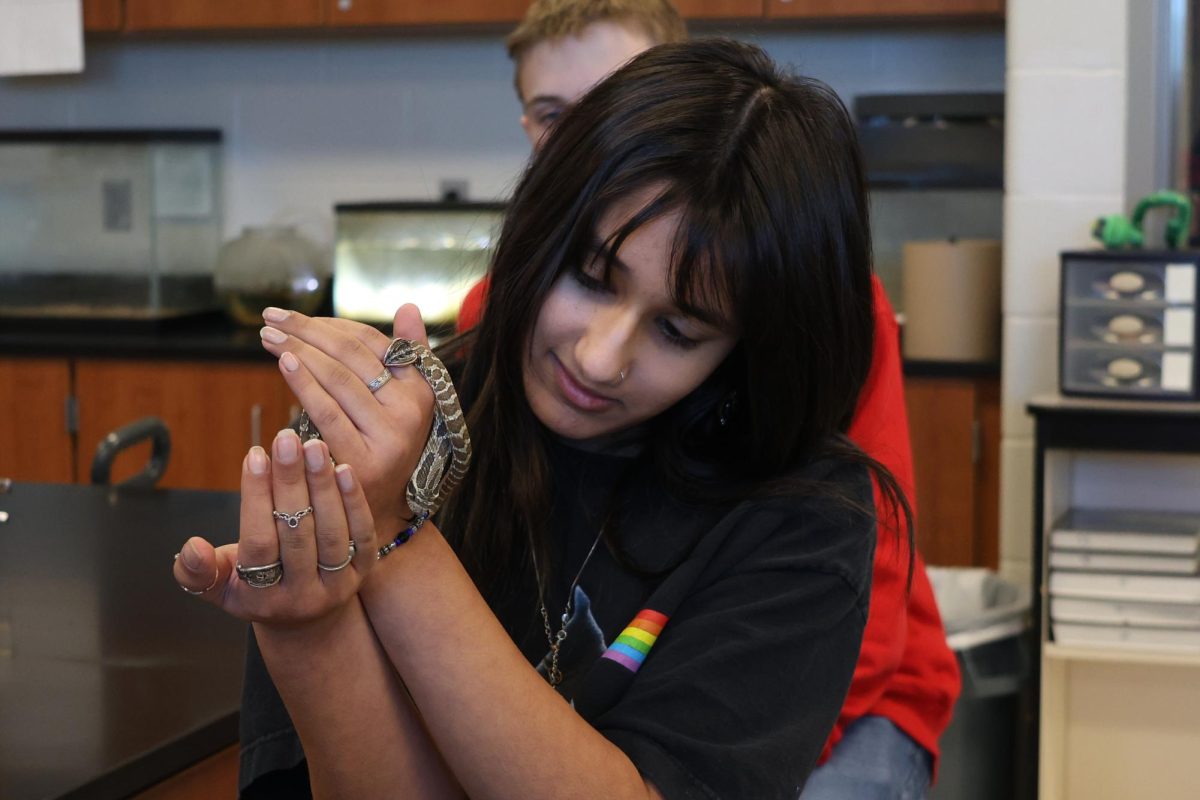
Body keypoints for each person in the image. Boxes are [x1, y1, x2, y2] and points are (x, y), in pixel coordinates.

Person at [174, 39, 912, 798]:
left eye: (678, 331)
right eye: (591, 278)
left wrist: (397, 529)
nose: (599, 359)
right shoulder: (393, 430)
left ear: (744, 349)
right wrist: (308, 629)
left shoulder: (801, 517)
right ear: (541, 225)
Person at [458, 2, 963, 798]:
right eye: (556, 115)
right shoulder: (498, 319)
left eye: (680, 330)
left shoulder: (817, 347)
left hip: (833, 683)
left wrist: (733, 738)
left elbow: (860, 588)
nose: (598, 356)